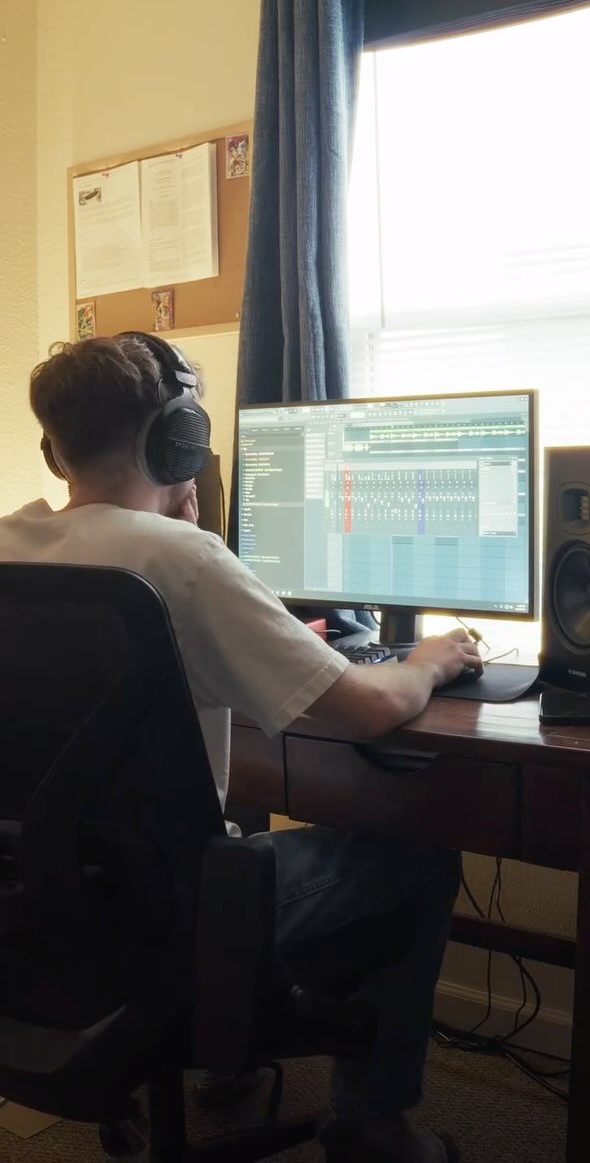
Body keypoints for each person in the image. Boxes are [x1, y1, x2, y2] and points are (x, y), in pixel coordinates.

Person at [0, 334, 484, 1163]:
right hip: (165, 919)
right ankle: (371, 1123)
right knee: (418, 856)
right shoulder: (182, 558)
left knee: (241, 830)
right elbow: (370, 709)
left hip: (42, 904)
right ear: (181, 440)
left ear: (55, 450)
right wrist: (429, 660)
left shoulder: (11, 546)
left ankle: (224, 1056)